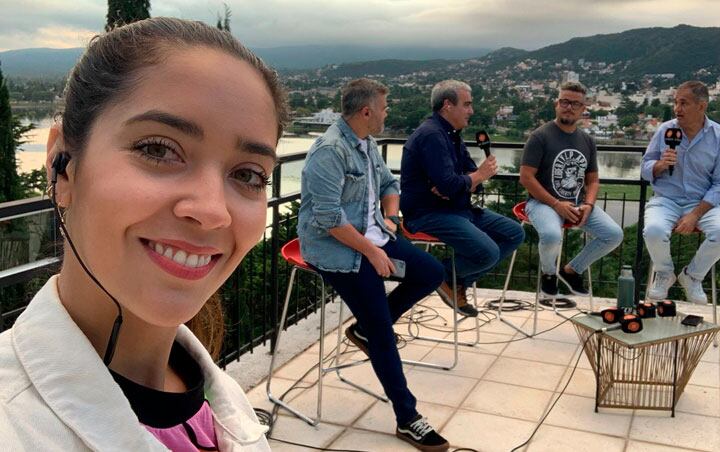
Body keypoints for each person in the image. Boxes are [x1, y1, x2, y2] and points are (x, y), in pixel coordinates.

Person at [0, 18, 289, 450]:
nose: (212, 211)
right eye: (158, 149)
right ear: (63, 165)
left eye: (248, 174)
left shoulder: (219, 402)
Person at [298, 78, 449, 451]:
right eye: (384, 108)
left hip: (374, 237)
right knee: (384, 333)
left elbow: (388, 185)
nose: (387, 113)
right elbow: (329, 219)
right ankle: (407, 417)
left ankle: (366, 327)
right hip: (338, 251)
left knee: (431, 272)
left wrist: (393, 221)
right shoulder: (330, 152)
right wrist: (372, 251)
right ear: (366, 112)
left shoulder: (366, 145)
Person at [400, 80, 525, 316]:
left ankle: (455, 282)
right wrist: (476, 176)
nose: (471, 111)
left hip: (457, 207)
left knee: (514, 233)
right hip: (428, 213)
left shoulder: (452, 135)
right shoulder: (431, 135)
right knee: (488, 252)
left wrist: (466, 182)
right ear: (447, 105)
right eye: (467, 105)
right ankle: (440, 274)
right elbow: (453, 183)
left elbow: (462, 183)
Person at [519, 82, 624, 297]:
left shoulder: (587, 141)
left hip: (578, 204)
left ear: (583, 109)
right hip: (543, 203)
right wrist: (556, 204)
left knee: (613, 235)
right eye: (565, 102)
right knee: (550, 235)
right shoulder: (540, 136)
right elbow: (526, 178)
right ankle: (549, 274)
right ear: (556, 104)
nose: (569, 107)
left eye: (575, 104)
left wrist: (588, 204)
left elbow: (593, 181)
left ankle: (572, 270)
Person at [641, 80, 720, 304]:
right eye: (675, 102)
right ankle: (664, 273)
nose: (677, 108)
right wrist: (659, 166)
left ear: (701, 107)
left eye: (683, 103)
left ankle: (692, 276)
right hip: (666, 200)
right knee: (653, 230)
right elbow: (644, 168)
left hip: (702, 202)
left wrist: (695, 215)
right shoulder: (666, 130)